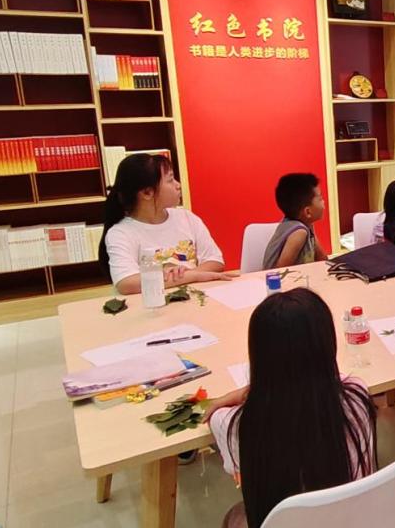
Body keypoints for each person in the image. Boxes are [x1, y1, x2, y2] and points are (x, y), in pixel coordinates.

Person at [205, 288, 377, 528]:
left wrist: (250, 390)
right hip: (352, 519)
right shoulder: (357, 397)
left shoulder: (235, 423)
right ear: (328, 344)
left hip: (286, 521)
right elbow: (327, 378)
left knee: (234, 516)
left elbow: (215, 414)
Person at [99, 153, 233, 295]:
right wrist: (192, 276)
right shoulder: (121, 233)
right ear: (147, 193)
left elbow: (215, 261)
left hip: (194, 298)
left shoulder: (187, 218)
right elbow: (126, 283)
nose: (178, 185)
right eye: (170, 180)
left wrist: (184, 276)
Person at [262, 173, 328, 269]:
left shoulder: (307, 225)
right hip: (278, 277)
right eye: (320, 199)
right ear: (307, 212)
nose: (324, 202)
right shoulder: (299, 233)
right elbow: (281, 271)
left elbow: (323, 260)